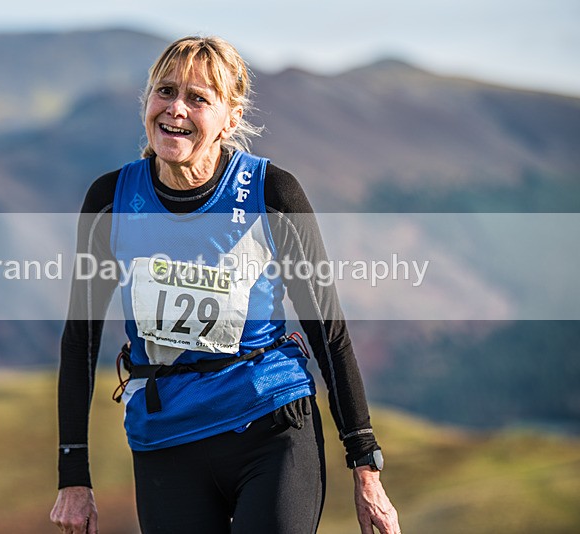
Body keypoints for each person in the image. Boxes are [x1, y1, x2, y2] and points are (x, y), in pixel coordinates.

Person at [50, 35, 400, 534]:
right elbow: (80, 341)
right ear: (147, 102)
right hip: (166, 440)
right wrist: (73, 478)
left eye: (198, 98)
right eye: (165, 91)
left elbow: (328, 331)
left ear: (230, 119)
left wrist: (365, 465)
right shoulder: (111, 199)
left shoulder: (272, 193)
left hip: (270, 424)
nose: (176, 109)